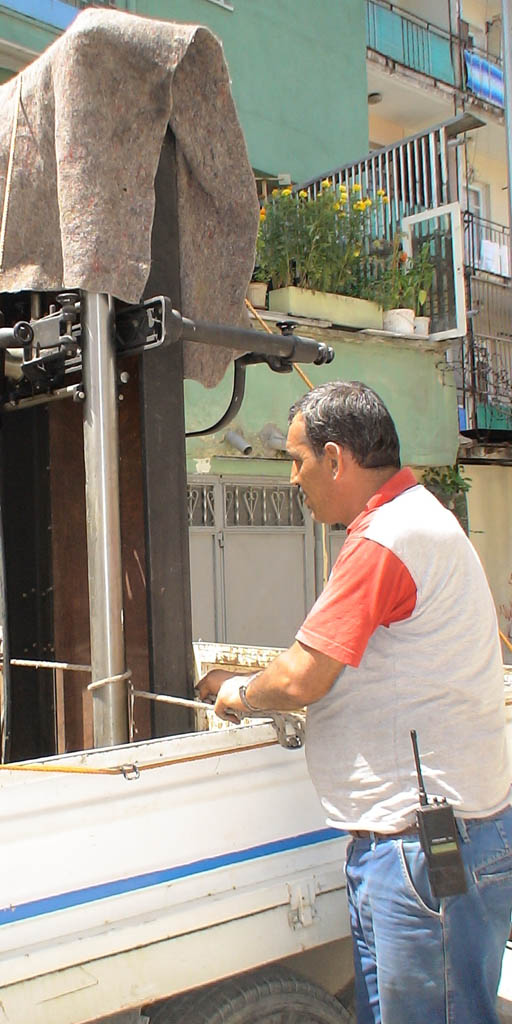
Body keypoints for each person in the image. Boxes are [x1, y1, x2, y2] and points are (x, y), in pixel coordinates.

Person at [199, 380, 512, 1024]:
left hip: (422, 846)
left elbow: (301, 679)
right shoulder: (420, 518)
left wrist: (234, 693)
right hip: (428, 839)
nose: (292, 479)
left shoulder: (384, 539)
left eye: (297, 460)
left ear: (336, 459)